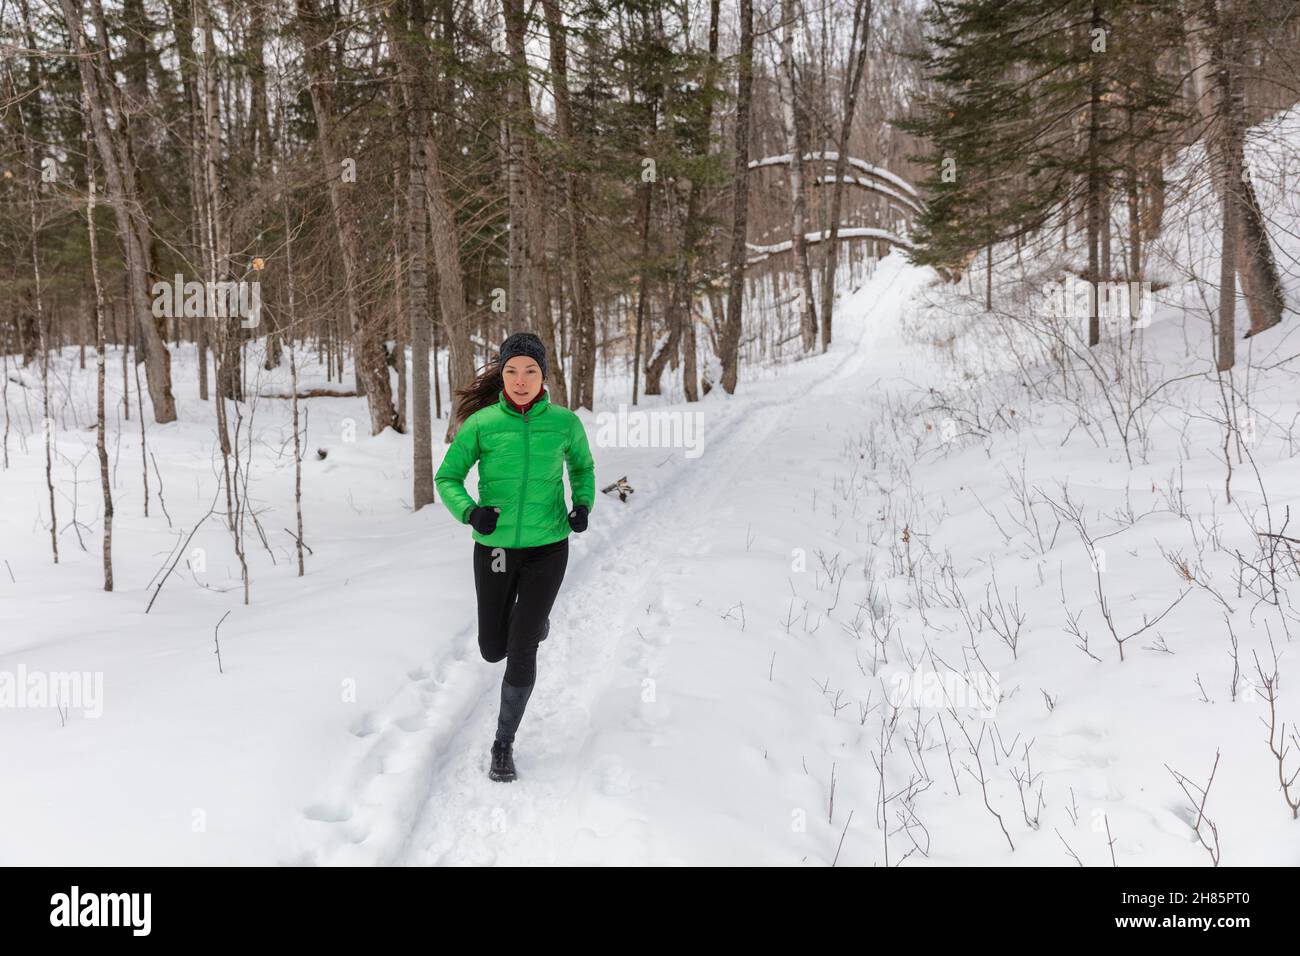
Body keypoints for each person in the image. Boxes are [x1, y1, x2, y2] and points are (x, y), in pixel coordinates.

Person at [434, 332, 595, 782]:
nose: (520, 380)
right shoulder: (482, 425)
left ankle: (503, 744)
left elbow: (582, 467)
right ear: (501, 375)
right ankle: (535, 623)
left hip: (548, 546)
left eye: (530, 371)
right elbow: (447, 477)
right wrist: (470, 512)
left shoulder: (565, 424)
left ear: (543, 376)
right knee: (492, 649)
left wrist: (582, 504)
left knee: (521, 647)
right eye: (511, 371)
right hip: (497, 549)